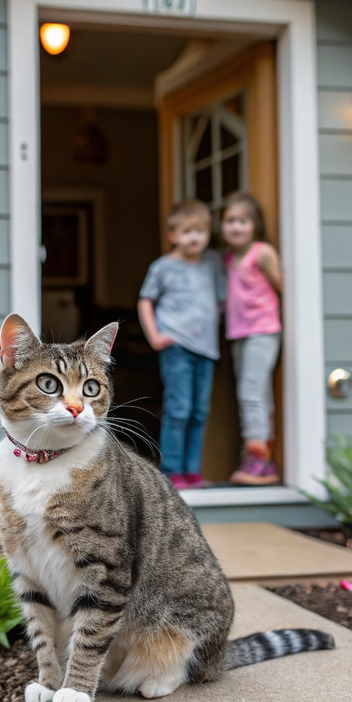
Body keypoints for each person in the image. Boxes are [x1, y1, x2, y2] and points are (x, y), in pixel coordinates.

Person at [138, 199, 225, 489]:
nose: (195, 237)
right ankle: (172, 471)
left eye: (200, 231)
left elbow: (224, 298)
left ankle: (192, 471)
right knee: (179, 409)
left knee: (200, 411)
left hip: (206, 349)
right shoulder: (163, 267)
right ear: (173, 235)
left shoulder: (212, 263)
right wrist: (154, 335)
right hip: (176, 346)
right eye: (187, 231)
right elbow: (146, 300)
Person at [221, 191, 283, 485]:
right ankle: (259, 456)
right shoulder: (230, 258)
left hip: (263, 331)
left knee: (252, 393)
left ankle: (260, 460)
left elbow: (283, 286)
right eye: (230, 220)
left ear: (254, 224)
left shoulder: (263, 252)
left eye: (242, 221)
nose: (235, 227)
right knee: (253, 394)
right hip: (239, 334)